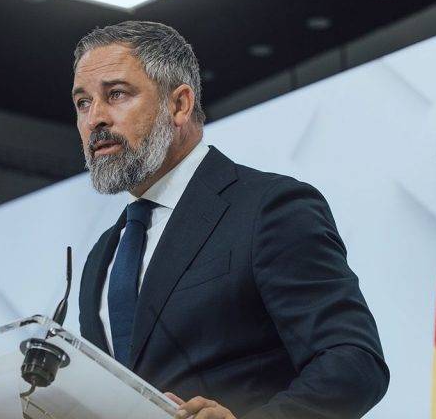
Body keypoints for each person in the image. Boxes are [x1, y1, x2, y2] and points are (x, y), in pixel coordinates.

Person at [72, 21, 388, 419]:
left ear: (179, 104)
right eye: (82, 103)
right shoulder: (103, 254)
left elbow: (353, 365)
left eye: (116, 94)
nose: (95, 119)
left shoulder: (269, 207)